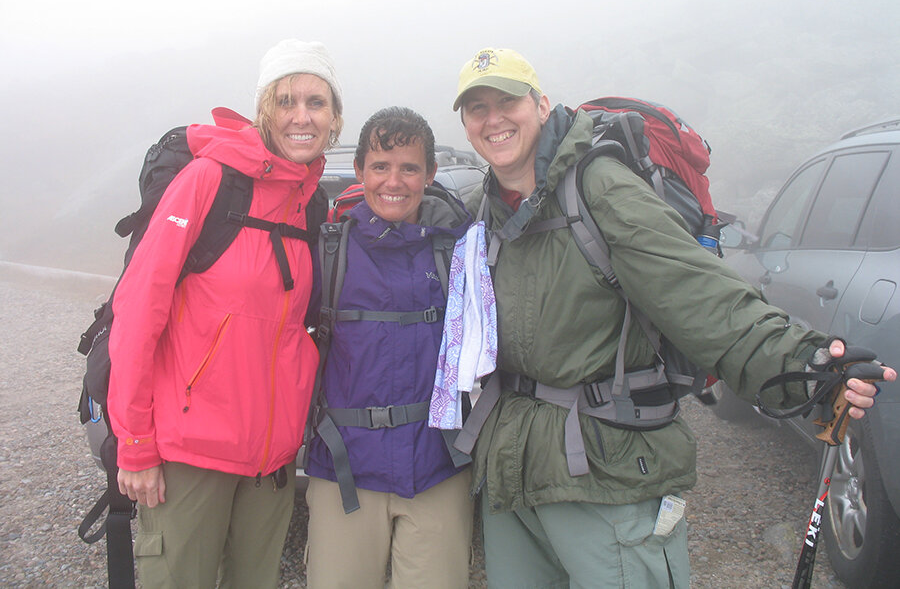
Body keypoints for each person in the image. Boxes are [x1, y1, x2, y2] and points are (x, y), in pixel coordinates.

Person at [450, 46, 896, 588]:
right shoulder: (480, 210)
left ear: (541, 105)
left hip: (604, 469)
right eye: (477, 109)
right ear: (467, 125)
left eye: (507, 101)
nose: (493, 119)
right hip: (515, 475)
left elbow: (700, 294)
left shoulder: (600, 187)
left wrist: (808, 366)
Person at [107, 39, 343, 588]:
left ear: (334, 117)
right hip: (189, 454)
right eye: (286, 101)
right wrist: (135, 442)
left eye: (316, 102)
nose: (301, 117)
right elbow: (139, 312)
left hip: (272, 461)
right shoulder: (210, 181)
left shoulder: (311, 205)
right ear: (264, 109)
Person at [303, 106, 475, 589]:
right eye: (380, 166)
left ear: (430, 174)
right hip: (344, 466)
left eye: (409, 167)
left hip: (438, 466)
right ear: (360, 171)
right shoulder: (329, 251)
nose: (393, 181)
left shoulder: (458, 251)